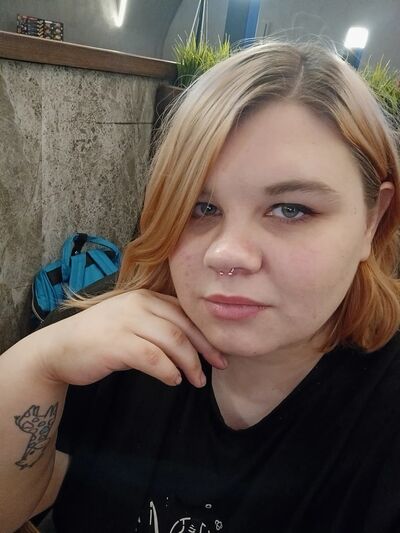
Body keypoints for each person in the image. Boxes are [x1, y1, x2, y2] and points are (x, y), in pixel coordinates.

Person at [1, 38, 400, 533]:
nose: (226, 253)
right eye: (201, 207)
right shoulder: (109, 335)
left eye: (291, 209)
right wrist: (35, 367)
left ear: (372, 220)